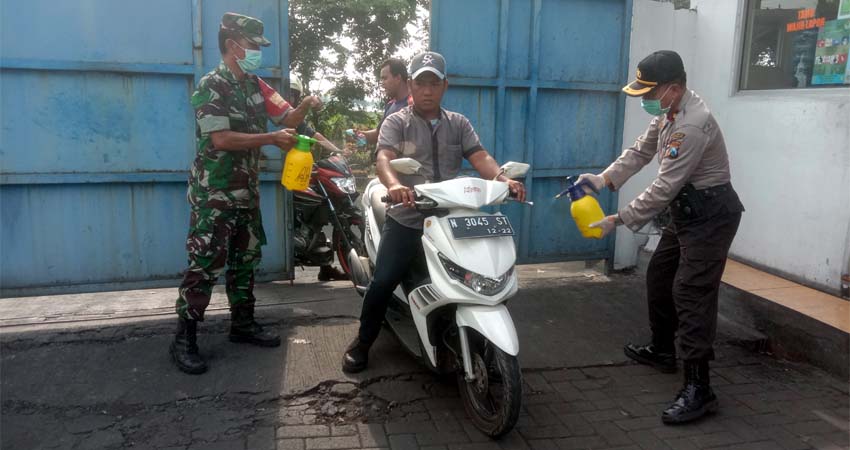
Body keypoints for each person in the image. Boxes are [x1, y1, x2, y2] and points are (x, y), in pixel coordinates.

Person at [577, 50, 744, 424]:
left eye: (649, 93)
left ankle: (700, 387)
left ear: (674, 88)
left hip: (711, 216)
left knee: (691, 290)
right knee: (659, 275)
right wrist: (601, 179)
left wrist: (617, 219)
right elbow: (639, 152)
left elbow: (663, 187)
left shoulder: (692, 125)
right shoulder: (669, 113)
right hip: (686, 213)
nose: (644, 101)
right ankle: (663, 349)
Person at [342, 51, 527, 373]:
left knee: (482, 274)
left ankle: (478, 340)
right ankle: (363, 341)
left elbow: (479, 155)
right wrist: (394, 186)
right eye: (421, 83)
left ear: (445, 85)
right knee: (384, 281)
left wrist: (501, 178)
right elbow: (384, 158)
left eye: (434, 83)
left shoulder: (458, 123)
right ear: (411, 85)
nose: (427, 90)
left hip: (448, 217)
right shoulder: (396, 121)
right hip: (407, 216)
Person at [171, 12, 317, 375]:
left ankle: (243, 324)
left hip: (245, 192)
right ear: (232, 46)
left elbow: (287, 121)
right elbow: (220, 139)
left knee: (244, 261)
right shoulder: (210, 85)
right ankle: (183, 338)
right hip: (215, 193)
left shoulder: (256, 85)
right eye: (253, 46)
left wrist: (304, 106)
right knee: (204, 264)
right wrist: (269, 139)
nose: (257, 53)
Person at [286, 75, 351, 282]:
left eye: (294, 94)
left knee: (322, 208)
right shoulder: (276, 117)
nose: (291, 98)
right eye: (288, 93)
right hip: (286, 175)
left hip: (304, 172)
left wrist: (337, 151)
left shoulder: (299, 119)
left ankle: (325, 265)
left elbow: (317, 137)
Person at [355, 58, 412, 145]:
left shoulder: (413, 104)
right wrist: (358, 135)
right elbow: (379, 134)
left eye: (385, 78)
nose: (382, 83)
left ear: (398, 78)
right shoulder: (390, 105)